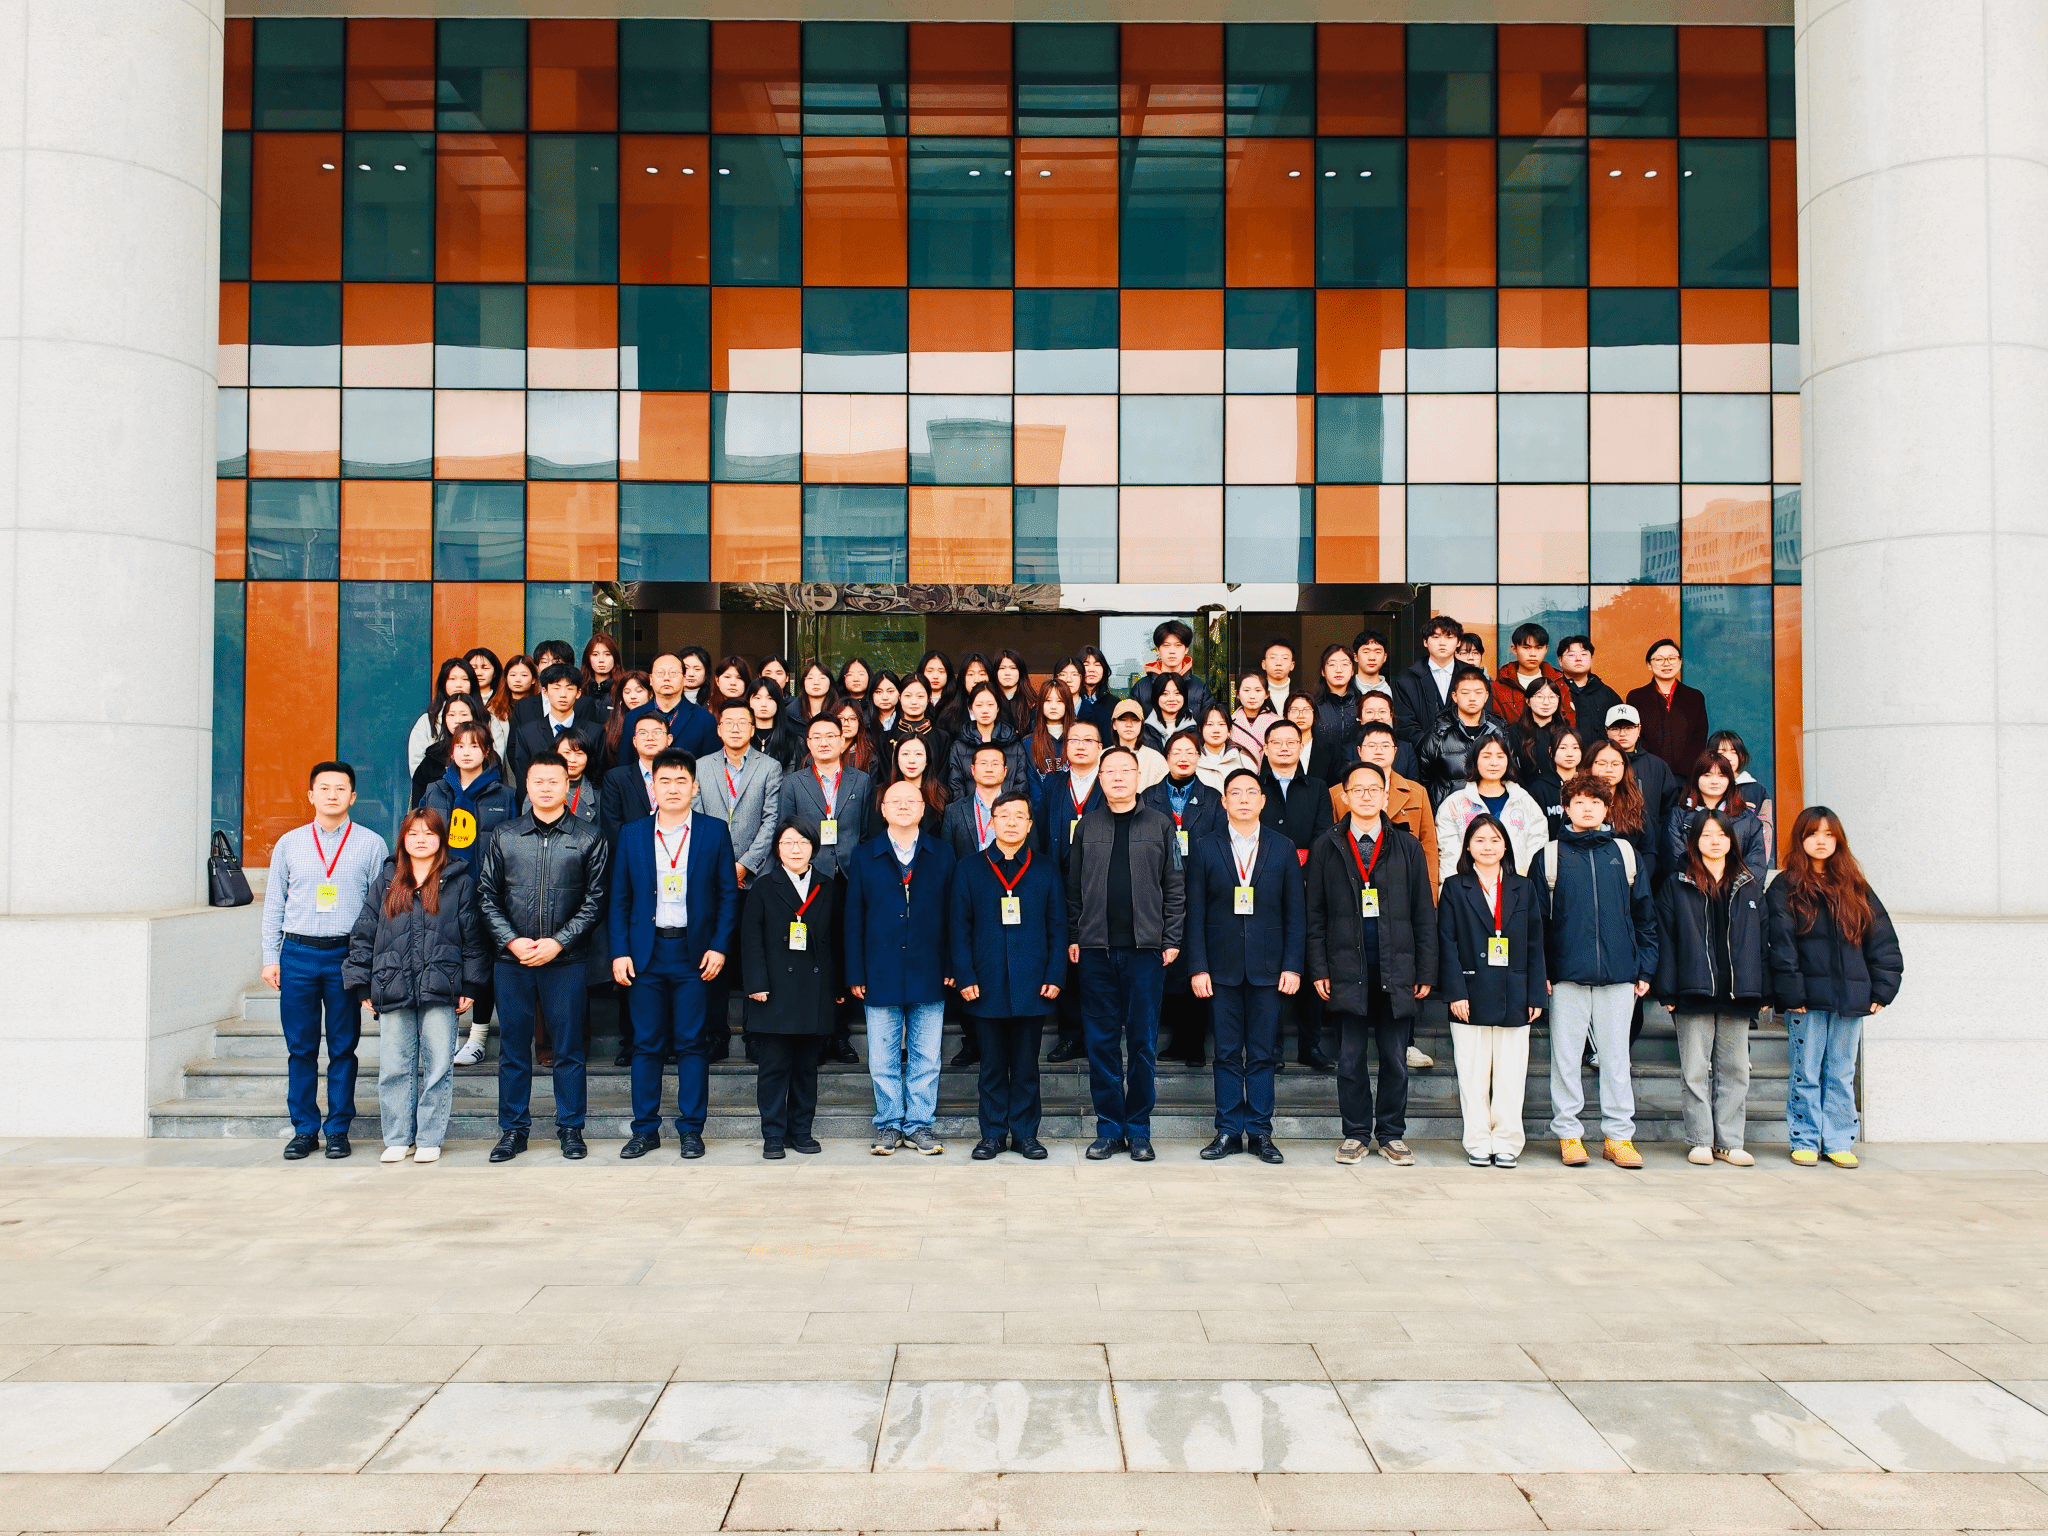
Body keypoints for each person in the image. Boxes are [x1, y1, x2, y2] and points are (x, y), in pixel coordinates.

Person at [476, 751, 608, 1164]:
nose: (546, 788)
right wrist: (513, 942)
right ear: (527, 787)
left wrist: (559, 942)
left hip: (565, 961)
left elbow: (595, 900)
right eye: (539, 781)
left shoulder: (589, 837)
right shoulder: (504, 835)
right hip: (512, 961)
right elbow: (487, 895)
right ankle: (513, 1130)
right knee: (514, 1048)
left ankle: (570, 1128)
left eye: (555, 781)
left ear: (568, 786)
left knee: (568, 1048)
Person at [1304, 762, 1437, 1167]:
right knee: (1350, 1058)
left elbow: (1423, 913)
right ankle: (1356, 1133)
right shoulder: (1327, 845)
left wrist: (1425, 970)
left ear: (1385, 795)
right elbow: (1315, 914)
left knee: (1395, 1059)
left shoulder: (1407, 846)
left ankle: (1392, 1134)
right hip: (1346, 967)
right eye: (1357, 789)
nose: (1365, 795)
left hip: (1397, 967)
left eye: (1373, 789)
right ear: (1344, 796)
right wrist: (1319, 968)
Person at [609, 750, 738, 1161]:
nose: (673, 788)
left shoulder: (713, 832)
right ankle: (644, 1130)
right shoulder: (632, 833)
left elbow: (727, 896)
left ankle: (691, 1130)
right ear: (653, 786)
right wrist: (619, 951)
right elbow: (620, 898)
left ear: (694, 787)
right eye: (664, 781)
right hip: (645, 954)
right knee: (646, 1043)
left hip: (693, 953)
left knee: (691, 1043)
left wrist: (719, 946)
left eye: (681, 781)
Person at [1527, 774, 1658, 1170]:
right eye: (1579, 801)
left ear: (1606, 808)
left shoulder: (1625, 854)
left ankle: (1618, 1137)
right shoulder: (1549, 857)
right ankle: (1569, 1134)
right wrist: (1541, 972)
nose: (1587, 808)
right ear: (1566, 808)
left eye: (1596, 802)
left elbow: (1645, 917)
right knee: (1566, 1059)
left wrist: (1645, 967)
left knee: (1616, 1060)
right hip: (1566, 975)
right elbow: (1536, 924)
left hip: (1619, 974)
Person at [261, 762, 390, 1160]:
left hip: (346, 956)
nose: (332, 795)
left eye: (341, 788)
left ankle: (337, 1129)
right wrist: (270, 956)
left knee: (343, 1047)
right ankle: (304, 1130)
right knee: (300, 1048)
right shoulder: (289, 844)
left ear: (353, 797)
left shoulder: (372, 845)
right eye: (324, 788)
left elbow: (381, 911)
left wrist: (371, 966)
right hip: (297, 954)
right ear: (310, 795)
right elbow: (274, 904)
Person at [345, 807, 488, 1164]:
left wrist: (471, 984)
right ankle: (397, 1138)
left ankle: (429, 1138)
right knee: (395, 1065)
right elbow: (364, 934)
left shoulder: (459, 882)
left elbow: (474, 939)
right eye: (413, 833)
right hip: (392, 983)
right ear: (402, 839)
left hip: (441, 985)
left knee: (438, 1065)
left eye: (428, 833)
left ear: (441, 839)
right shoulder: (387, 880)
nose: (420, 840)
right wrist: (362, 985)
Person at [1067, 746, 1185, 1162]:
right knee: (1101, 1045)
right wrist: (1075, 935)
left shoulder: (1160, 824)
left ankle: (1138, 1131)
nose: (1117, 777)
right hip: (1095, 952)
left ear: (1138, 777)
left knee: (1141, 1044)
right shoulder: (1087, 826)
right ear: (1100, 778)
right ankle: (1109, 1130)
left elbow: (1175, 884)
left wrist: (1172, 938)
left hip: (1145, 952)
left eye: (1125, 770)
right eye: (1110, 771)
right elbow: (1074, 888)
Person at [1768, 807, 1903, 1168]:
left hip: (1849, 998)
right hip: (1806, 1000)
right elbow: (1781, 945)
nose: (1821, 841)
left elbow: (1882, 941)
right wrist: (1790, 993)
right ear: (1800, 839)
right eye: (1813, 834)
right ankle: (1805, 1139)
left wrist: (1882, 989)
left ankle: (1839, 1140)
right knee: (1806, 1072)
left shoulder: (1855, 885)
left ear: (1838, 840)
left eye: (1829, 835)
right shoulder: (1785, 886)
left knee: (1841, 1073)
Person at [1186, 768, 1305, 1164]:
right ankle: (1227, 1131)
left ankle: (1260, 1132)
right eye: (1234, 793)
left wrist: (1293, 965)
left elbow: (1295, 913)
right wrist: (1198, 966)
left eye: (1250, 792)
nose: (1243, 799)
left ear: (1262, 801)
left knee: (1262, 1053)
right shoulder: (1205, 847)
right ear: (1223, 801)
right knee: (1225, 1053)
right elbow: (1195, 913)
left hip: (1269, 969)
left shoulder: (1283, 847)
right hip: (1220, 969)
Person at [950, 790, 1065, 1159]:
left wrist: (1055, 974)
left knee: (1027, 1068)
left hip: (1033, 983)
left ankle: (1026, 1135)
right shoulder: (970, 868)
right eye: (1004, 816)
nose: (1012, 822)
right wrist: (965, 975)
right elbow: (959, 927)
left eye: (1020, 816)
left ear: (1030, 825)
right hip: (985, 984)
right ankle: (993, 1135)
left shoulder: (1045, 868)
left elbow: (1058, 926)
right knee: (992, 1067)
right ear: (992, 822)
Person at [846, 778, 957, 1156]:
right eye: (896, 801)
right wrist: (855, 971)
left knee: (926, 1056)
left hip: (930, 967)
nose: (904, 806)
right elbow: (853, 918)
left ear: (924, 809)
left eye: (912, 800)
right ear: (883, 810)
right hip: (880, 968)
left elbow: (954, 915)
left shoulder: (942, 853)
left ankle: (920, 1125)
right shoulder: (865, 855)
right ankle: (889, 1123)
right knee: (882, 1057)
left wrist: (953, 963)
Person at [1654, 809, 1766, 1168]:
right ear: (1694, 841)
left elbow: (1764, 940)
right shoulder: (1677, 883)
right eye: (1706, 835)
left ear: (1732, 840)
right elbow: (1666, 938)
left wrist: (1764, 990)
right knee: (1695, 1070)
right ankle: (1701, 1139)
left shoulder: (1748, 884)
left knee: (1736, 1070)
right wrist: (1667, 990)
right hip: (1693, 990)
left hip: (1738, 991)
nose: (1714, 841)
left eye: (1721, 834)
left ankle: (1730, 1142)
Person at [1435, 816, 1545, 1169]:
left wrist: (1536, 995)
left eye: (1495, 840)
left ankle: (1508, 1141)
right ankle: (1479, 1141)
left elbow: (1536, 943)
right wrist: (1455, 992)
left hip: (1515, 991)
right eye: (1480, 840)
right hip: (1469, 992)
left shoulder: (1523, 887)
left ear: (1505, 846)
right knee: (1473, 1075)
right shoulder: (1455, 888)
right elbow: (1447, 943)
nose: (1488, 846)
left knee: (1511, 1075)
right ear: (1468, 846)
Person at [741, 822, 837, 1158]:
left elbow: (836, 939)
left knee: (806, 1069)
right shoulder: (764, 886)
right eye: (788, 842)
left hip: (814, 990)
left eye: (803, 842)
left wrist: (836, 986)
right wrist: (756, 983)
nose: (796, 849)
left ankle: (801, 1131)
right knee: (774, 1068)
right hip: (773, 992)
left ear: (814, 847)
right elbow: (751, 939)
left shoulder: (827, 886)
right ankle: (772, 1134)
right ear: (777, 849)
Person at [781, 713, 872, 1065]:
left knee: (843, 952)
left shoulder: (861, 781)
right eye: (816, 736)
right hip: (809, 878)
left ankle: (840, 1035)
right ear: (808, 743)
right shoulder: (793, 783)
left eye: (831, 736)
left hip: (849, 878)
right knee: (812, 953)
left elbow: (866, 832)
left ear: (843, 741)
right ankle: (817, 1034)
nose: (823, 742)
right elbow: (786, 831)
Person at [1146, 731, 1225, 1066]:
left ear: (1198, 758)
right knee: (1167, 964)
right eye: (1176, 751)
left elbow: (1221, 843)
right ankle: (1176, 1039)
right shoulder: (1149, 797)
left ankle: (1194, 1043)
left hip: (1200, 889)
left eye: (1190, 752)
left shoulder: (1213, 798)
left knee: (1196, 962)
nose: (1183, 757)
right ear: (1166, 758)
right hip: (1159, 892)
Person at [1034, 717, 1104, 1064]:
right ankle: (1070, 1035)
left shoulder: (1108, 783)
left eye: (1088, 740)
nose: (1079, 746)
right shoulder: (1053, 784)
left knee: (1096, 959)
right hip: (1060, 881)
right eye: (1073, 740)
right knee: (1066, 954)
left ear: (1100, 748)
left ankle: (1098, 1038)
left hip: (1100, 883)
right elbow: (1040, 832)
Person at [1435, 738, 1548, 879]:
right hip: (1468, 888)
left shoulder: (1524, 802)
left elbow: (1537, 848)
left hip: (1518, 885)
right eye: (1486, 756)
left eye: (1500, 756)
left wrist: (1528, 886)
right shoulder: (1454, 805)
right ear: (1474, 760)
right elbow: (1449, 857)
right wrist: (1451, 890)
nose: (1494, 763)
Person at [1418, 666, 1514, 811]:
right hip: (1449, 814)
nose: (1472, 698)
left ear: (1486, 696)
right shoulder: (1438, 733)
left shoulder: (1499, 731)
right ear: (1454, 696)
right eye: (1465, 693)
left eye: (1478, 692)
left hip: (1492, 812)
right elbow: (1423, 779)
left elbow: (1511, 773)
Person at [1667, 753, 1769, 887]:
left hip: (1737, 893)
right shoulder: (1678, 815)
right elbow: (1675, 859)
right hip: (1692, 891)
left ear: (1730, 780)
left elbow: (1756, 864)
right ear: (1696, 778)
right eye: (1707, 775)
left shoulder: (1748, 819)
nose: (1715, 781)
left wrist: (1733, 889)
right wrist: (1703, 886)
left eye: (1721, 775)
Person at [1626, 639, 1709, 780]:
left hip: (1687, 776)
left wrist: (1685, 773)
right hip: (1648, 773)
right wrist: (1651, 767)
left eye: (1672, 658)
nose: (1666, 663)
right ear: (1649, 665)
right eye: (1659, 659)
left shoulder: (1695, 697)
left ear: (1680, 662)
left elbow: (1699, 737)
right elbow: (1635, 736)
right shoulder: (1636, 697)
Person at [1258, 718, 1333, 863]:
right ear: (1266, 749)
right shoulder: (1253, 787)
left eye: (1291, 742)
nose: (1284, 748)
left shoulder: (1318, 787)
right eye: (1277, 743)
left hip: (1307, 869)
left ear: (1301, 747)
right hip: (1262, 867)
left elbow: (1323, 833)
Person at [1585, 737, 1658, 883]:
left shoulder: (1635, 803)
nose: (1609, 769)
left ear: (1625, 767)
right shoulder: (1579, 803)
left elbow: (1648, 851)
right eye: (1602, 763)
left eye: (1615, 764)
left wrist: (1637, 883)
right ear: (1590, 765)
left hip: (1630, 882)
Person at [509, 663, 591, 793]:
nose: (563, 694)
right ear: (545, 692)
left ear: (578, 693)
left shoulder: (594, 732)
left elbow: (596, 778)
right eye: (556, 688)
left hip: (582, 801)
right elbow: (522, 777)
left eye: (569, 688)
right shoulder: (526, 732)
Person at [599, 708, 672, 849]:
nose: (650, 737)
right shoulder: (616, 779)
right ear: (634, 741)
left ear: (669, 739)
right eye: (643, 733)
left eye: (657, 732)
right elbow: (612, 829)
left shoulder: (680, 778)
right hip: (631, 855)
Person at [945, 683, 1025, 802]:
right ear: (971, 709)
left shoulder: (1014, 745)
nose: (985, 710)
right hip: (971, 811)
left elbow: (1021, 784)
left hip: (1007, 811)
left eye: (990, 705)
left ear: (997, 708)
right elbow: (956, 786)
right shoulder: (959, 746)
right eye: (979, 705)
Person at [1125, 619, 1216, 722]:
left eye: (1178, 645)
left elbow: (1210, 724)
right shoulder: (1141, 688)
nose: (1172, 651)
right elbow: (1130, 724)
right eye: (1166, 645)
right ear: (1157, 650)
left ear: (1186, 649)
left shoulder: (1200, 688)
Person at [1393, 615, 1464, 746]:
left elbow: (1484, 718)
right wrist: (1433, 748)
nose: (1442, 643)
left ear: (1458, 642)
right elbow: (1406, 725)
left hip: (1466, 753)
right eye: (1436, 637)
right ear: (1425, 642)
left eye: (1449, 637)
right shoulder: (1406, 681)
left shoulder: (1473, 676)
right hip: (1422, 753)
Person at [1708, 730, 1775, 861]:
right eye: (1722, 752)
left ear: (1741, 756)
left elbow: (1765, 833)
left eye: (1734, 752)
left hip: (1744, 865)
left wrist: (1757, 866)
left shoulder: (1757, 791)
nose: (1728, 757)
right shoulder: (1703, 788)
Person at [408, 657, 481, 776]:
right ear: (443, 683)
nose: (458, 685)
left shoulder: (487, 717)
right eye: (452, 679)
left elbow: (494, 759)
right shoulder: (428, 720)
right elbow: (417, 763)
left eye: (465, 679)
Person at [942, 740, 1011, 864]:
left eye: (995, 764)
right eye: (983, 763)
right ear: (972, 769)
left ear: (1005, 771)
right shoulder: (953, 811)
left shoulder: (1020, 808)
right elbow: (946, 859)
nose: (989, 769)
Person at [411, 693, 480, 808]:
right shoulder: (432, 758)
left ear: (474, 717)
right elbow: (418, 807)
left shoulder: (488, 757)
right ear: (444, 720)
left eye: (464, 714)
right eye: (451, 715)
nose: (458, 720)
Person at [646, 652, 718, 758]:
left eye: (673, 673)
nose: (666, 678)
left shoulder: (705, 719)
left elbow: (711, 764)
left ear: (684, 679)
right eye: (660, 673)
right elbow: (625, 765)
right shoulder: (632, 717)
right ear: (651, 679)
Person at [1554, 636, 1623, 743]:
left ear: (1591, 658)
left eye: (1584, 654)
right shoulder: (1553, 692)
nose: (1578, 659)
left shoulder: (1607, 693)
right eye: (1571, 655)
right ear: (1560, 661)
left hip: (1600, 753)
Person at [878, 732, 948, 835]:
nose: (911, 760)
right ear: (896, 759)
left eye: (918, 754)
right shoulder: (881, 793)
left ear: (927, 760)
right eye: (905, 754)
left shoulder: (942, 795)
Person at [1513, 675, 1574, 784]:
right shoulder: (1514, 733)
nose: (1546, 702)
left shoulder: (1567, 733)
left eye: (1552, 697)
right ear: (1528, 701)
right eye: (1540, 697)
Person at [1529, 729, 1588, 841]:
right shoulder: (1539, 788)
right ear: (1551, 751)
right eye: (1563, 748)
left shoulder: (1589, 786)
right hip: (1552, 848)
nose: (1570, 754)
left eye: (1575, 748)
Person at [599, 671, 654, 773]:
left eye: (639, 691)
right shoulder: (613, 722)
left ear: (650, 694)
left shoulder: (657, 721)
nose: (632, 696)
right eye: (627, 692)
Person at [1108, 697, 1168, 788]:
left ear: (1141, 724)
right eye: (1123, 719)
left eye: (1135, 720)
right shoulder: (1102, 757)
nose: (1129, 725)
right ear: (1114, 724)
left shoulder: (1156, 759)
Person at [1311, 644, 1362, 749]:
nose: (1339, 670)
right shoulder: (1312, 705)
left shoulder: (1363, 703)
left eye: (1345, 664)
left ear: (1352, 670)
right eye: (1332, 664)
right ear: (1323, 671)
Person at [747, 679, 801, 770]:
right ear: (748, 701)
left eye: (770, 698)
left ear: (778, 702)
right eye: (757, 698)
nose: (763, 704)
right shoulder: (740, 737)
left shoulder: (793, 740)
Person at [1192, 704, 1248, 790]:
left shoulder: (1243, 761)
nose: (1216, 730)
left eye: (1221, 724)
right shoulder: (1191, 760)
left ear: (1229, 730)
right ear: (1200, 729)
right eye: (1210, 724)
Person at [1139, 673, 1196, 754]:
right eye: (1165, 694)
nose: (1171, 699)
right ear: (1156, 697)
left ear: (1184, 697)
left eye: (1177, 693)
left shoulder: (1195, 730)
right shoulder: (1144, 731)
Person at [1229, 672, 1275, 766]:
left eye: (1258, 690)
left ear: (1267, 694)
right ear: (1237, 694)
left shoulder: (1278, 723)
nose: (1252, 696)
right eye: (1246, 690)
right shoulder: (1228, 723)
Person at [1073, 645, 1119, 732]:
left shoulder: (1114, 704)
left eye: (1097, 664)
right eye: (1086, 664)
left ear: (1104, 669)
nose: (1091, 670)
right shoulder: (1071, 702)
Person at [993, 649, 1036, 733]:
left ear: (1020, 672)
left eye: (1013, 668)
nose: (1007, 673)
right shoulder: (989, 700)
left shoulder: (1032, 702)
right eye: (1002, 668)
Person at [580, 634, 623, 716]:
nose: (601, 660)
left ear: (615, 657)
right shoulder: (579, 689)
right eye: (595, 654)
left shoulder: (623, 689)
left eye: (607, 654)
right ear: (588, 658)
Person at [835, 699, 877, 777]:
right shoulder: (821, 752)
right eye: (840, 718)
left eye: (852, 719)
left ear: (859, 723)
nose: (846, 724)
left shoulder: (869, 758)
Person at [1352, 629, 1395, 705]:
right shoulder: (1346, 688)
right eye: (1366, 652)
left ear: (1385, 657)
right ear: (1356, 657)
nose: (1372, 658)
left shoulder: (1394, 691)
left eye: (1378, 652)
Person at [1258, 637, 1296, 711]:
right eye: (1273, 657)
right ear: (1264, 664)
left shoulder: (1301, 696)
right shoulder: (1254, 696)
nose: (1278, 663)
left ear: (1292, 665)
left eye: (1285, 658)